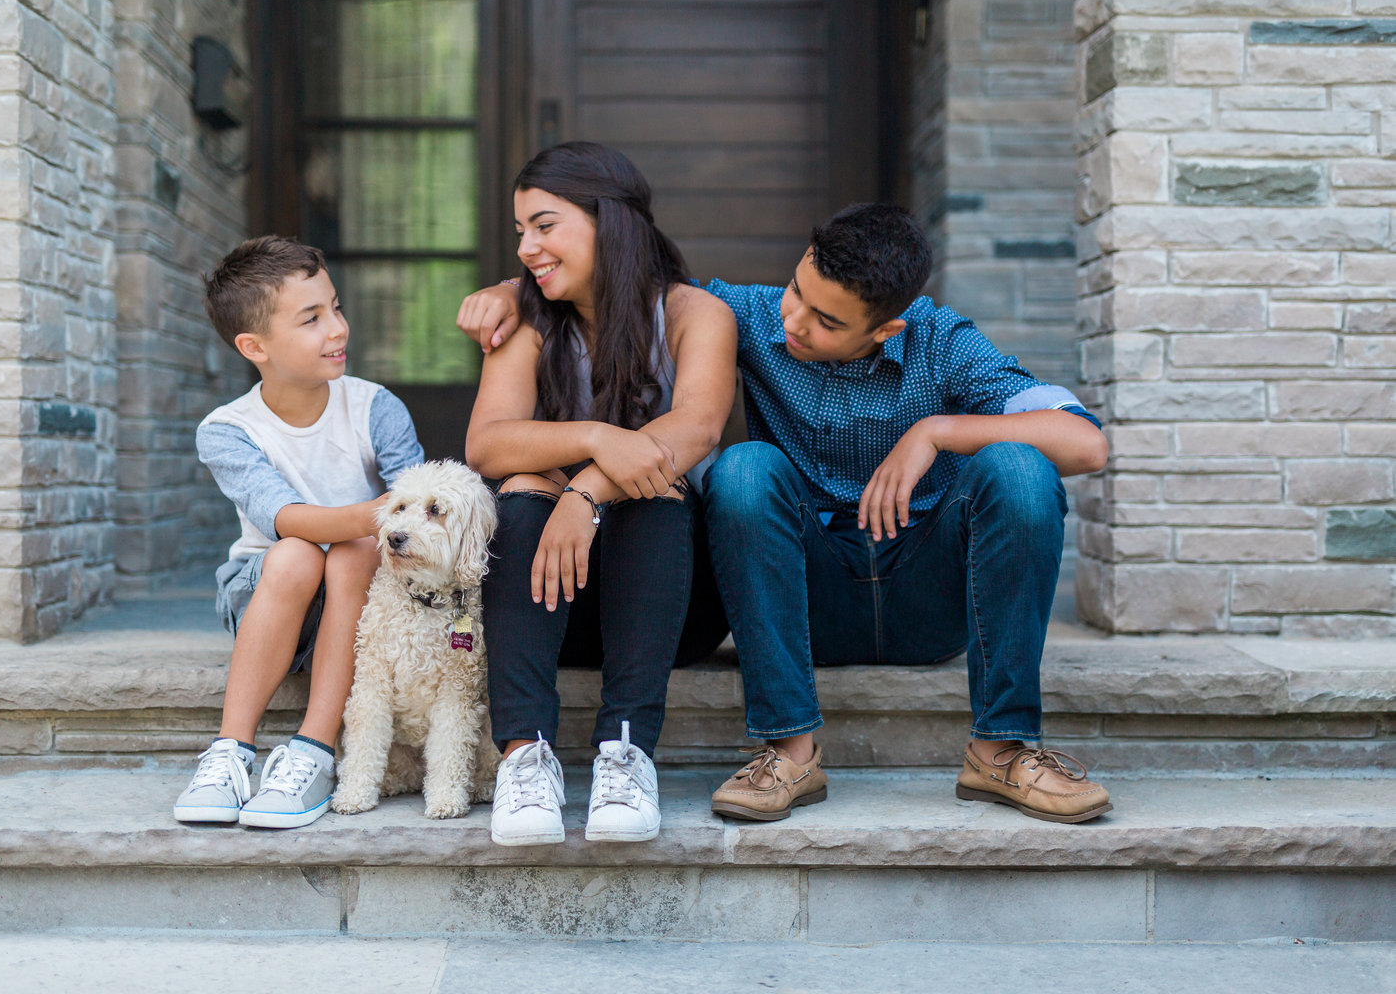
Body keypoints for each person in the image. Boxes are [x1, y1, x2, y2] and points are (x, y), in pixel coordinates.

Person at [457, 203, 1113, 825]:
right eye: (798, 292)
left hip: (927, 596)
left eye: (828, 321)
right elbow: (628, 284)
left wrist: (938, 431)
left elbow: (1085, 443)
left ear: (887, 327)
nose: (795, 322)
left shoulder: (944, 344)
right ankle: (789, 753)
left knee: (1021, 468)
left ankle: (1001, 752)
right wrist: (514, 290)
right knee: (744, 470)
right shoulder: (748, 315)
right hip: (807, 599)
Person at [465, 141, 736, 846]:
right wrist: (594, 436)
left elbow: (698, 426)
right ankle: (523, 761)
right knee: (521, 485)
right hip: (547, 605)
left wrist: (585, 490)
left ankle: (625, 753)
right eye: (520, 231)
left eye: (544, 225)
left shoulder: (693, 313)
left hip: (666, 609)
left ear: (608, 221)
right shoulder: (524, 321)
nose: (527, 247)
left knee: (654, 485)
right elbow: (488, 445)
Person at [176, 236, 422, 829]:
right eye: (311, 319)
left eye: (335, 307)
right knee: (295, 554)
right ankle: (231, 751)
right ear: (253, 346)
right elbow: (284, 518)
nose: (336, 328)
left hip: (364, 599)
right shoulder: (228, 430)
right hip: (267, 591)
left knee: (353, 552)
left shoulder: (374, 406)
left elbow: (420, 511)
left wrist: (387, 521)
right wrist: (384, 513)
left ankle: (312, 751)